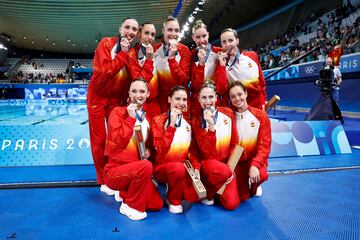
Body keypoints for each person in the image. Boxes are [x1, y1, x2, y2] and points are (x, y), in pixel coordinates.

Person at [87, 17, 139, 195]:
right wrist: (122, 54)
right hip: (97, 97)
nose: (130, 32)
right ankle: (103, 178)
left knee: (116, 139)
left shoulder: (133, 53)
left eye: (134, 29)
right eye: (127, 27)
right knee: (99, 140)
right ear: (120, 29)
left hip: (116, 100)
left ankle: (114, 173)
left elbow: (134, 78)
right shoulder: (105, 44)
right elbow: (106, 72)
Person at [103, 79, 163, 221]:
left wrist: (148, 151)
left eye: (142, 91)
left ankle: (125, 192)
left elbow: (148, 146)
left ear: (148, 94)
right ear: (129, 93)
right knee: (145, 167)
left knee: (156, 204)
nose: (138, 95)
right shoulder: (117, 112)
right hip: (115, 172)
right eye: (134, 91)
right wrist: (130, 118)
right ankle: (129, 205)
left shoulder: (147, 118)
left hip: (137, 172)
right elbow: (118, 141)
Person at [191, 82, 240, 210]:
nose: (208, 101)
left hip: (227, 167)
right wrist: (211, 126)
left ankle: (215, 188)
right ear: (199, 99)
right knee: (220, 171)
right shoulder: (196, 120)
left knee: (231, 205)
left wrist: (230, 169)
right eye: (204, 97)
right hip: (208, 165)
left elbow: (235, 144)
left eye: (211, 97)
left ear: (216, 98)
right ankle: (210, 190)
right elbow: (204, 152)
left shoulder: (228, 113)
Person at [152, 86, 200, 214]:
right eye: (177, 99)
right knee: (178, 169)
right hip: (162, 169)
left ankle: (172, 186)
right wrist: (172, 125)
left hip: (182, 169)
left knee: (194, 196)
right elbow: (161, 149)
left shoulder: (188, 123)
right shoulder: (158, 120)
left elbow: (192, 151)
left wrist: (196, 167)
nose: (181, 103)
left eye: (184, 99)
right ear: (169, 99)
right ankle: (172, 199)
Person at [228, 81, 271, 203]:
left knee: (261, 175)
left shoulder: (260, 116)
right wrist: (230, 167)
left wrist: (255, 165)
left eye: (239, 94)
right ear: (230, 99)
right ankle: (244, 182)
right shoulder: (229, 117)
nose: (237, 98)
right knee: (242, 197)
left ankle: (255, 184)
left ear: (246, 94)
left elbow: (265, 146)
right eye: (233, 96)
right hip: (238, 160)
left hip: (254, 159)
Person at [216, 28, 267, 110]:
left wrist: (264, 100)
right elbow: (221, 90)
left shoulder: (252, 56)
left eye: (230, 40)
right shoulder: (222, 64)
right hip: (237, 108)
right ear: (221, 45)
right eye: (224, 42)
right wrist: (222, 65)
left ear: (237, 41)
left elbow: (262, 83)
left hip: (257, 105)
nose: (228, 44)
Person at [153, 16, 191, 113]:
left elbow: (182, 79)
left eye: (176, 30)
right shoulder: (154, 49)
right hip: (161, 101)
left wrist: (172, 59)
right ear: (163, 30)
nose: (173, 34)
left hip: (180, 100)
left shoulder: (185, 50)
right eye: (170, 30)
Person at [190, 20, 226, 117]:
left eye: (204, 36)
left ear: (208, 35)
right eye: (198, 37)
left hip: (214, 101)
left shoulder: (219, 52)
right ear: (193, 38)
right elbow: (196, 85)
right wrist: (201, 63)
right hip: (197, 104)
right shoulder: (191, 56)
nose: (202, 40)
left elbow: (222, 85)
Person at [128, 22, 161, 119]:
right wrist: (149, 60)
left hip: (154, 103)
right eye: (146, 33)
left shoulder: (155, 51)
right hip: (139, 103)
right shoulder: (132, 54)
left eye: (153, 34)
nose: (150, 37)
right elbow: (139, 81)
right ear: (139, 34)